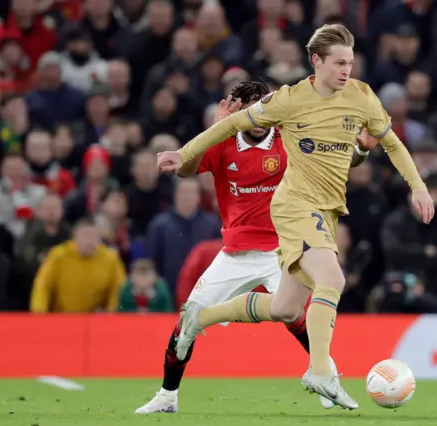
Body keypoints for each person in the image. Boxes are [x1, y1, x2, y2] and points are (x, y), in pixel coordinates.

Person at [157, 24, 434, 409]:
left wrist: (417, 186)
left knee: (285, 309)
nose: (346, 70)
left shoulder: (363, 98)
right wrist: (183, 154)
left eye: (350, 63)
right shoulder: (288, 100)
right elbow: (235, 124)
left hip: (327, 209)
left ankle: (202, 319)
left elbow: (392, 143)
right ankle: (320, 372)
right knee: (332, 278)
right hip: (294, 207)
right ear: (316, 61)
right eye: (339, 62)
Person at [137, 79, 370, 413]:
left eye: (265, 106)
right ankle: (167, 396)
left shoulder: (290, 139)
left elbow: (337, 160)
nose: (260, 115)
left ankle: (326, 378)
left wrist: (360, 149)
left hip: (281, 248)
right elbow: (186, 169)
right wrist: (214, 127)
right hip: (234, 253)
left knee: (295, 317)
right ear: (241, 111)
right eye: (252, 108)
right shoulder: (223, 139)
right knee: (187, 321)